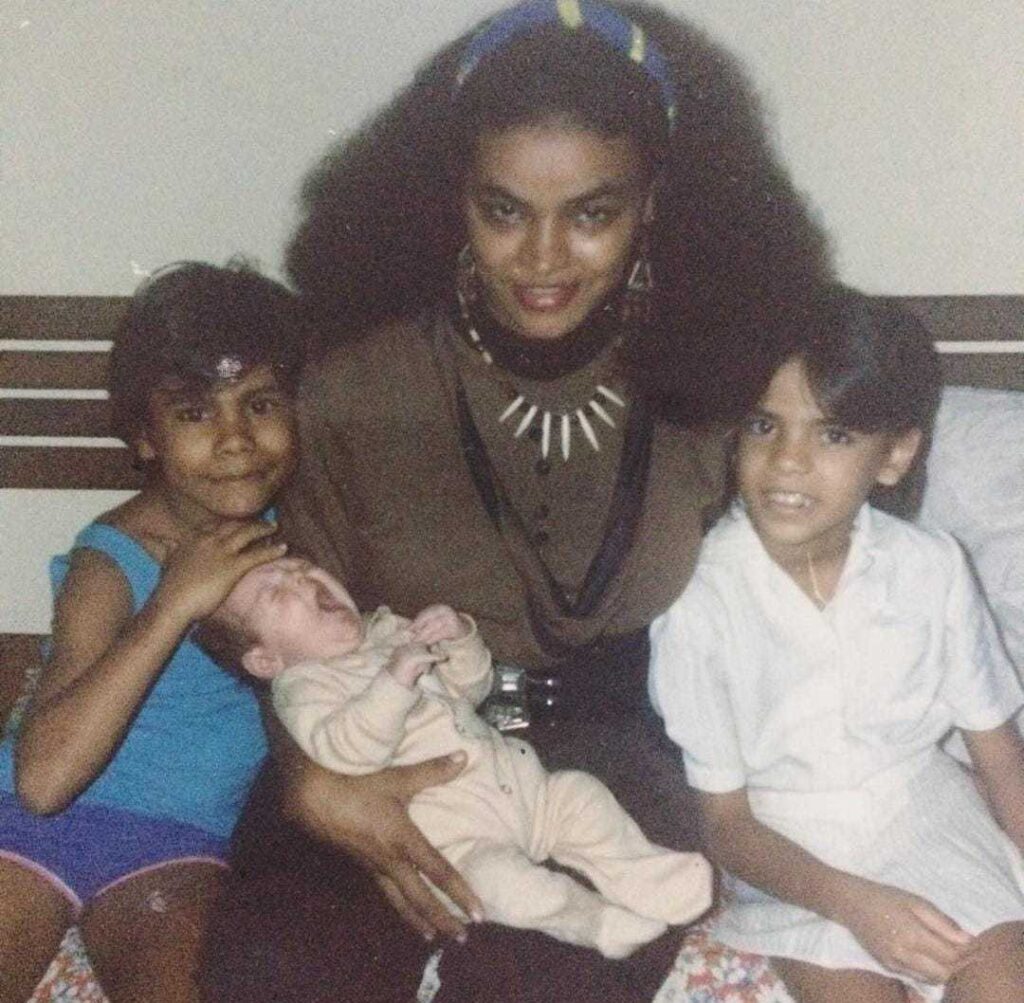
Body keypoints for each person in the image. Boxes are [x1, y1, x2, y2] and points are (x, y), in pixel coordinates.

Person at [200, 2, 833, 999]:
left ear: (654, 202)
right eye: (503, 211)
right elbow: (273, 625)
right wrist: (312, 782)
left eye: (591, 213)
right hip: (380, 740)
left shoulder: (726, 391)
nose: (542, 259)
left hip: (617, 762)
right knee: (272, 975)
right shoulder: (354, 384)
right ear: (451, 197)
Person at [649, 287, 1024, 1003]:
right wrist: (854, 903)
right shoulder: (697, 599)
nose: (788, 461)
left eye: (834, 435)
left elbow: (999, 754)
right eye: (765, 424)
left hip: (929, 816)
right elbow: (726, 826)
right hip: (790, 853)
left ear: (895, 455)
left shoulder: (932, 567)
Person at [0, 261, 303, 1003]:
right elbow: (43, 783)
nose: (236, 440)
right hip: (23, 833)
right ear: (145, 436)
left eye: (260, 403)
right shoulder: (113, 559)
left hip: (179, 848)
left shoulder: (305, 542)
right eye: (195, 413)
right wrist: (173, 602)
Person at [201, 556, 712, 957]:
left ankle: (649, 878)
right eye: (276, 591)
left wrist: (460, 637)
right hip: (456, 840)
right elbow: (347, 748)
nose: (302, 579)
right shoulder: (304, 687)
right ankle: (594, 921)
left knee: (583, 795)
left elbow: (471, 687)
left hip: (524, 790)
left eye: (302, 566)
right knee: (506, 887)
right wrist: (395, 681)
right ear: (265, 659)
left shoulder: (387, 631)